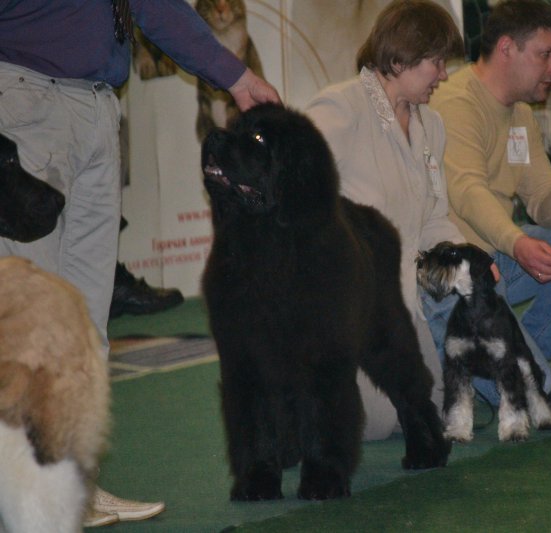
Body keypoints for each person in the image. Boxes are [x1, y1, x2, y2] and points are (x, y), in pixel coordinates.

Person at [0, 0, 281, 527]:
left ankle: (71, 487)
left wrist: (235, 75)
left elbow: (152, 4)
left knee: (86, 324)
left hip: (99, 106)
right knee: (27, 330)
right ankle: (23, 501)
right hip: (24, 100)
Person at [428, 0, 551, 404]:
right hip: (462, 270)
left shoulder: (520, 112)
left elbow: (542, 199)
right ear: (507, 49)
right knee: (536, 390)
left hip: (502, 254)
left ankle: (526, 350)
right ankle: (516, 362)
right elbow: (467, 192)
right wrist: (517, 242)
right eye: (546, 54)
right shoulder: (455, 102)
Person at [305, 0, 472, 440]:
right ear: (399, 58)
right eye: (437, 62)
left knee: (427, 407)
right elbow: (295, 193)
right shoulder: (340, 109)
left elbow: (434, 217)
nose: (445, 75)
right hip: (340, 303)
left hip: (399, 303)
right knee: (376, 425)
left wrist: (470, 261)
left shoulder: (431, 125)